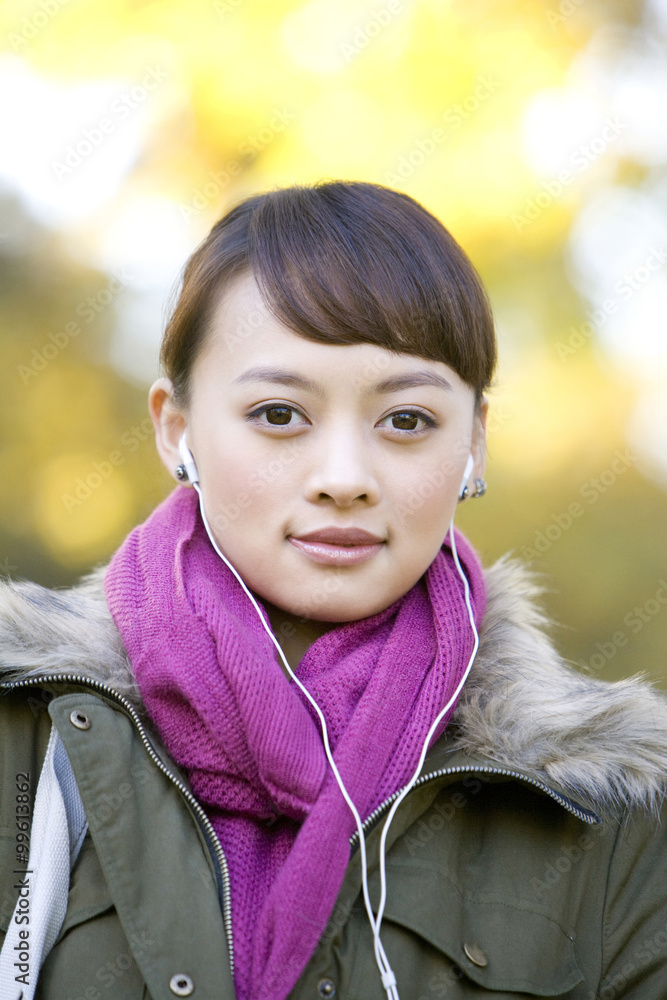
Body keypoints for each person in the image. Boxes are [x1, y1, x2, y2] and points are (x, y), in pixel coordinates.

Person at [0, 180, 665, 1000]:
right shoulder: (25, 732)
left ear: (474, 446)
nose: (344, 479)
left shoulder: (605, 807)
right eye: (279, 414)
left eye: (406, 421)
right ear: (177, 429)